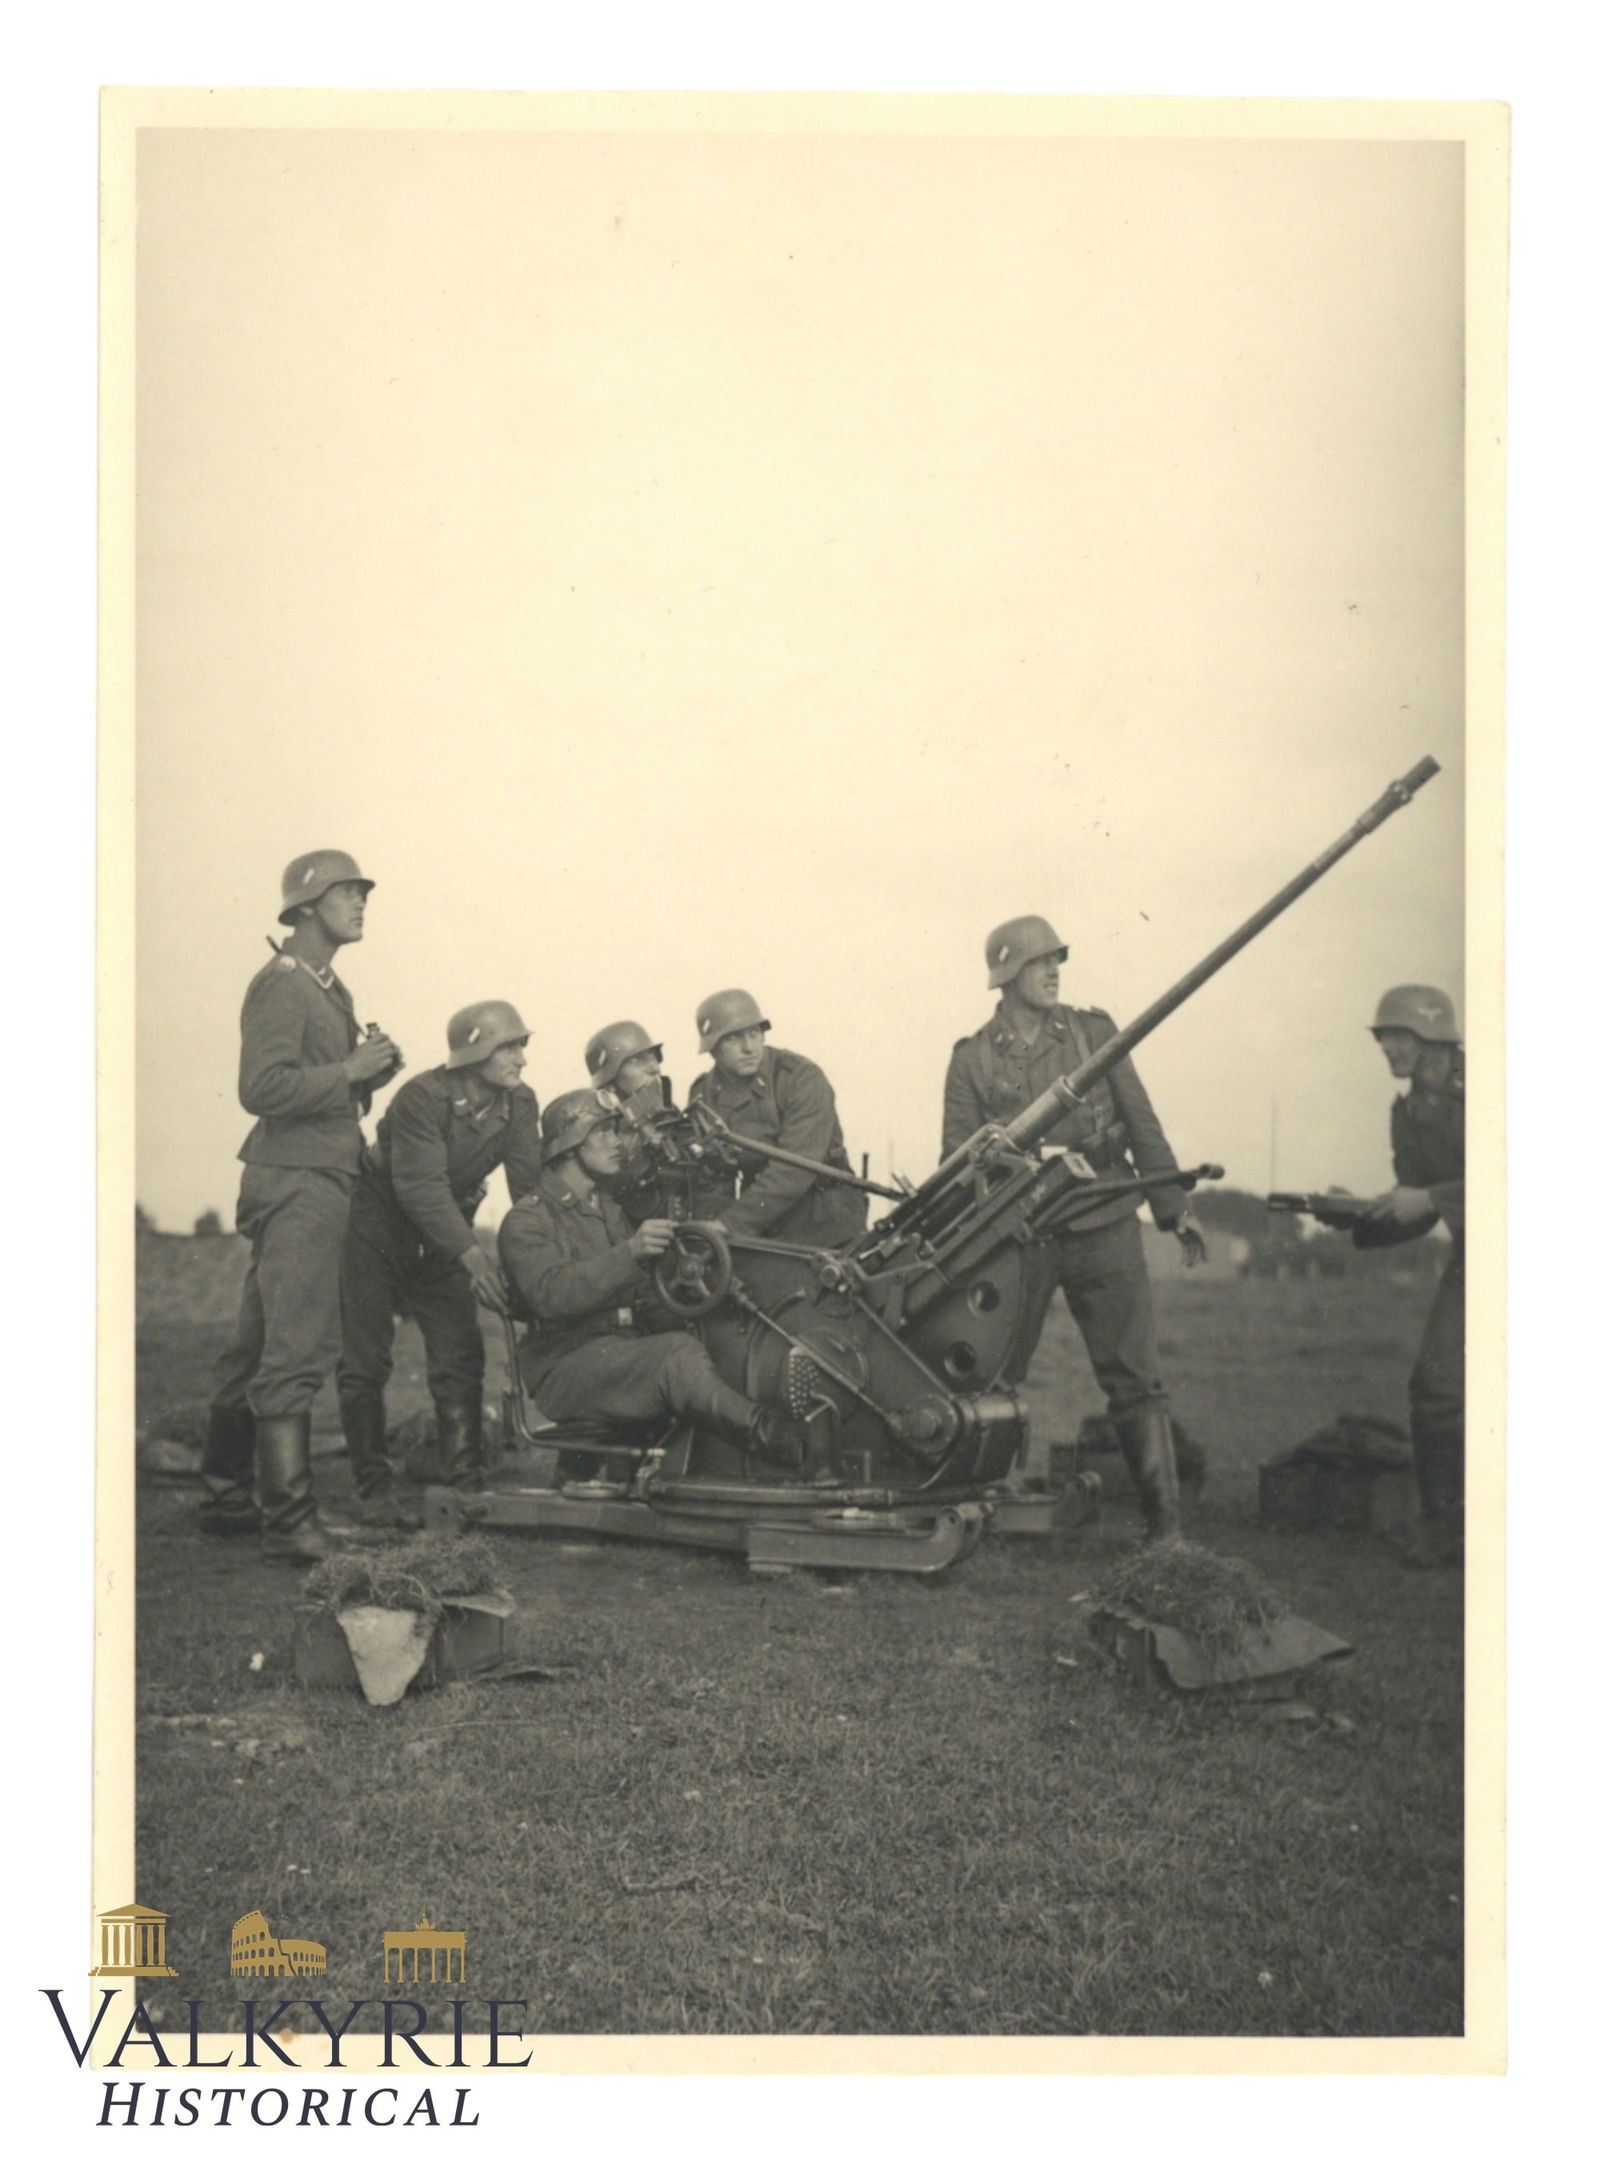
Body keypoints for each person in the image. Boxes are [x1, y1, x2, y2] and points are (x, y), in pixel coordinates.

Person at [941, 915, 1206, 1541]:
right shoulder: (971, 1059)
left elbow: (1141, 1121)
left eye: (1057, 960)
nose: (1054, 971)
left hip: (1107, 1221)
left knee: (1134, 1377)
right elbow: (956, 1164)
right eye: (1040, 963)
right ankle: (986, 1509)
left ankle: (1166, 1531)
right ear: (1007, 977)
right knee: (996, 1373)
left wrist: (1173, 1209)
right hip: (1023, 1236)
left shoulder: (1093, 1034)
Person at [199, 851, 403, 1564]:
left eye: (362, 894)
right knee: (299, 1346)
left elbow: (327, 1090)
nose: (361, 904)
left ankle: (227, 1493)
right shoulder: (283, 985)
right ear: (310, 904)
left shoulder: (330, 988)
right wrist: (349, 1070)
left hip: (307, 1171)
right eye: (349, 893)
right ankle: (289, 1521)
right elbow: (262, 1087)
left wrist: (370, 1071)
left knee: (256, 1341)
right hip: (299, 1180)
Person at [497, 1091, 808, 1469]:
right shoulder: (528, 1220)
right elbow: (551, 1294)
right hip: (565, 1365)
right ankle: (782, 1442)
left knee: (714, 1339)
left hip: (617, 1352)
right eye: (603, 1132)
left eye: (615, 1131)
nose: (616, 1143)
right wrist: (630, 1253)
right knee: (675, 1357)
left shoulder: (608, 1209)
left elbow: (641, 1291)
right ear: (569, 1146)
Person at [337, 1001, 542, 1514]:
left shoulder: (519, 1104)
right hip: (376, 1228)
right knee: (366, 1361)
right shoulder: (421, 1098)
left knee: (460, 1351)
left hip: (441, 1238)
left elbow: (528, 1189)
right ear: (475, 1052)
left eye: (521, 1045)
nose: (521, 1059)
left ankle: (466, 1484)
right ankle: (373, 1489)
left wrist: (541, 1257)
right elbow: (421, 1188)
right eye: (508, 1047)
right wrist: (477, 1262)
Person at [1318, 986, 1465, 1567]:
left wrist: (1428, 1196)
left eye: (1398, 1035)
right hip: (1478, 1259)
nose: (1387, 1048)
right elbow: (1417, 1212)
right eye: (1383, 1037)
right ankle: (1446, 1527)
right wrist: (1355, 1215)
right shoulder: (1406, 1113)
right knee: (1436, 1392)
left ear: (1431, 1036)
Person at [686, 989, 867, 1246]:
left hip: (824, 1219)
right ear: (713, 1049)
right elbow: (713, 1179)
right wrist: (709, 1236)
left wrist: (729, 1224)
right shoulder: (704, 1095)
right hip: (762, 1225)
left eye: (754, 1033)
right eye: (733, 1038)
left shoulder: (800, 1077)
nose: (749, 1047)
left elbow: (796, 1167)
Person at [583, 1019, 668, 1223]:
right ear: (610, 1075)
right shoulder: (591, 1131)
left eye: (652, 1057)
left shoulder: (668, 1117)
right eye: (636, 1060)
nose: (654, 1068)